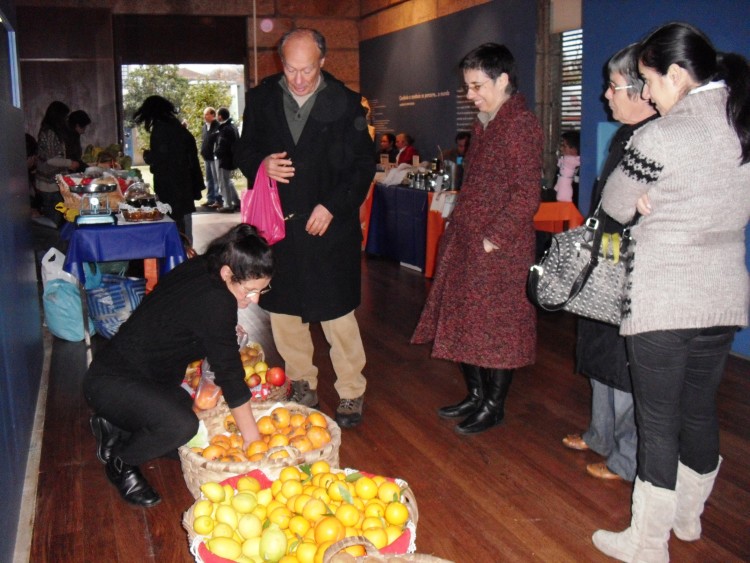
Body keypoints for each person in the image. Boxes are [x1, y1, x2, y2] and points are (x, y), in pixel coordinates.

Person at [592, 22, 750, 562]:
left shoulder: (659, 135)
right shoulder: (741, 124)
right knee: (700, 412)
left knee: (656, 423)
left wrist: (641, 202)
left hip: (665, 297)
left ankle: (647, 542)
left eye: (650, 82)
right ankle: (687, 519)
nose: (647, 94)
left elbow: (613, 204)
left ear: (677, 75)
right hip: (724, 295)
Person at [234, 28, 375, 428]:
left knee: (337, 314)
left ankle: (351, 390)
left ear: (323, 62)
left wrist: (333, 205)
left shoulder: (348, 104)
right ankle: (301, 382)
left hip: (330, 227)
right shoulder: (261, 99)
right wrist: (260, 164)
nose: (298, 79)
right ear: (282, 63)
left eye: (307, 70)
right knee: (283, 312)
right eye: (291, 69)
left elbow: (363, 167)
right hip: (280, 228)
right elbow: (243, 149)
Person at [83, 224, 273, 507]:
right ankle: (120, 462)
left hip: (141, 376)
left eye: (262, 289)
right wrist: (253, 441)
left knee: (192, 430)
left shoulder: (206, 265)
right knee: (182, 426)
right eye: (250, 289)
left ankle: (115, 425)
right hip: (112, 380)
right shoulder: (217, 301)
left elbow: (188, 318)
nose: (255, 298)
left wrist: (220, 333)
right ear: (227, 274)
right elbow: (230, 376)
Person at [411, 43, 543, 435]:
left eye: (477, 85)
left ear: (503, 80)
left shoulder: (521, 125)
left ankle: (493, 405)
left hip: (500, 249)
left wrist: (493, 240)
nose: (470, 95)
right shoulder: (485, 122)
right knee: (464, 320)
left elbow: (526, 195)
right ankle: (474, 395)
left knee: (498, 330)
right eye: (468, 86)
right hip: (469, 237)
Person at [562, 44, 658, 483]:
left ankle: (625, 458)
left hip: (635, 267)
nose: (605, 95)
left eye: (614, 87)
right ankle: (600, 435)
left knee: (623, 364)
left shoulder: (656, 138)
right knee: (599, 349)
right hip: (606, 259)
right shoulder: (624, 135)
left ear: (642, 91)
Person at [134, 95, 204, 242]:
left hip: (172, 186)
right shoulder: (175, 126)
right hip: (182, 184)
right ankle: (184, 254)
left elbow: (163, 158)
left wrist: (149, 156)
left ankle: (182, 257)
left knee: (177, 226)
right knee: (182, 224)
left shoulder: (162, 128)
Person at [36, 101, 82, 226]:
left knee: (56, 218)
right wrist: (69, 163)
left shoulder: (50, 131)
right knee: (53, 220)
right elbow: (51, 159)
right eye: (65, 117)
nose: (66, 120)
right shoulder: (50, 133)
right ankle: (53, 244)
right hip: (49, 184)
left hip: (51, 183)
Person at [214, 107, 241, 213]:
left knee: (224, 182)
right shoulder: (232, 126)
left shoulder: (225, 129)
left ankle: (228, 204)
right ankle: (236, 202)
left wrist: (217, 153)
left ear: (220, 116)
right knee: (228, 181)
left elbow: (222, 144)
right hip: (231, 158)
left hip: (225, 159)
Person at [200, 107, 223, 209]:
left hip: (214, 157)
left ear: (213, 115)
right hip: (206, 156)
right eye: (204, 114)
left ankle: (218, 199)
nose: (205, 116)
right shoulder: (204, 127)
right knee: (209, 179)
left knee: (216, 179)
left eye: (207, 114)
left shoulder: (217, 126)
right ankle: (210, 199)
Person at [552, 130, 580, 203]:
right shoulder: (562, 165)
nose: (561, 149)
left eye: (565, 146)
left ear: (574, 149)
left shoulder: (583, 169)